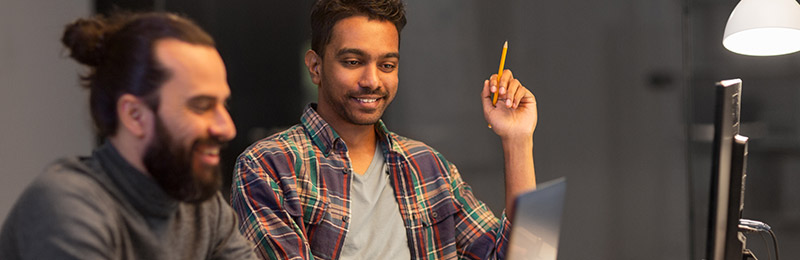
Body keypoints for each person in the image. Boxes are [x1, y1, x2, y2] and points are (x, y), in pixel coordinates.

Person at [230, 0, 537, 259]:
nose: (372, 80)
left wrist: (517, 139)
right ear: (315, 67)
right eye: (352, 61)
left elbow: (525, 255)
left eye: (387, 65)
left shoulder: (427, 166)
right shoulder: (267, 166)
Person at [0, 12, 256, 260]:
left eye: (224, 105)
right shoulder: (65, 205)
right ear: (135, 116)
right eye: (201, 106)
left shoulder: (203, 206)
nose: (227, 128)